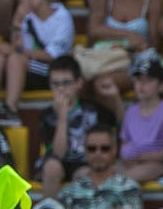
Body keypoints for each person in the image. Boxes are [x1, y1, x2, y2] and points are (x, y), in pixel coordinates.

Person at [0, 0, 77, 122]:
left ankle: (11, 110)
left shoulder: (62, 16)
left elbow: (51, 56)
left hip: (53, 71)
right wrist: (17, 22)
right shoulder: (26, 17)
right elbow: (19, 49)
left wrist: (15, 51)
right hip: (29, 70)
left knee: (15, 59)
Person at [60, 123, 143, 209]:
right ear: (85, 151)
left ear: (115, 150)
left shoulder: (129, 188)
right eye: (92, 149)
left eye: (104, 149)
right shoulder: (70, 190)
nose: (98, 153)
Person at [86, 0, 161, 95]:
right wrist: (128, 35)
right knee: (82, 82)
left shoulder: (153, 1)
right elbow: (93, 30)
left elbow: (155, 44)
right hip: (106, 59)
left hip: (135, 62)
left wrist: (140, 45)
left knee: (103, 84)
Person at [35, 56, 115, 197]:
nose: (61, 89)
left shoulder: (93, 110)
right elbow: (58, 154)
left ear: (78, 83)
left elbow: (118, 124)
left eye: (66, 83)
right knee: (52, 167)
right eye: (55, 84)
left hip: (84, 164)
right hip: (57, 165)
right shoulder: (47, 115)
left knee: (84, 173)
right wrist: (62, 117)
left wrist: (116, 99)